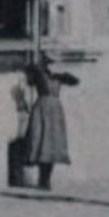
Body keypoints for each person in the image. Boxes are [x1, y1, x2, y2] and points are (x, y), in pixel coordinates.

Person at [23, 53, 80, 190]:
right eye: (45, 63)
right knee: (41, 142)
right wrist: (39, 69)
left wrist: (60, 75)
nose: (47, 66)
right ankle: (43, 179)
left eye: (47, 63)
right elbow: (30, 77)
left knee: (52, 144)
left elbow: (75, 81)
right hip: (43, 107)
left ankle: (46, 178)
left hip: (54, 110)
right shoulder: (38, 74)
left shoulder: (55, 76)